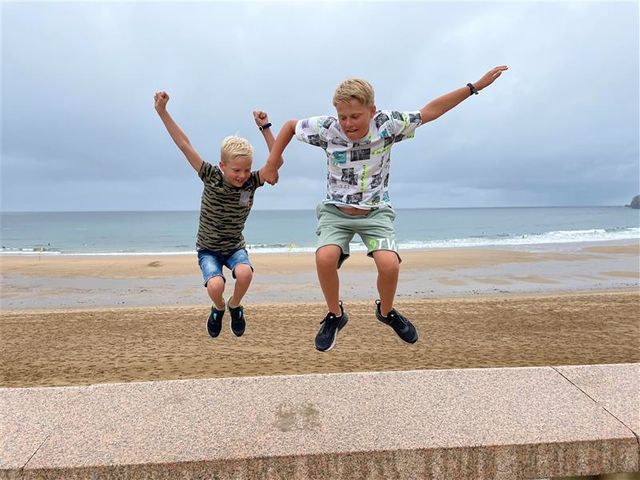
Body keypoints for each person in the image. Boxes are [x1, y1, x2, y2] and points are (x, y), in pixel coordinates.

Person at [261, 66, 508, 352]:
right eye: (343, 117)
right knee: (324, 258)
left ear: (372, 110)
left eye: (355, 116)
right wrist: (271, 162)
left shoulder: (387, 125)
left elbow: (430, 111)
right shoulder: (328, 129)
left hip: (376, 211)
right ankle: (335, 315)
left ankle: (386, 311)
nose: (348, 123)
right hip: (336, 212)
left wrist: (473, 87)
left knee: (389, 264)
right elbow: (291, 126)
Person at [154, 91, 282, 338]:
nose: (242, 175)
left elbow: (275, 166)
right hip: (209, 249)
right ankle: (219, 307)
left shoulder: (252, 182)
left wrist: (265, 127)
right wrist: (162, 112)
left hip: (234, 247)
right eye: (236, 170)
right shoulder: (210, 176)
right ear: (222, 166)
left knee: (245, 273)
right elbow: (183, 144)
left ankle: (235, 306)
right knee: (216, 285)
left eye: (246, 170)